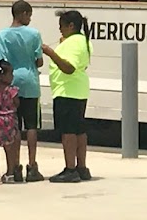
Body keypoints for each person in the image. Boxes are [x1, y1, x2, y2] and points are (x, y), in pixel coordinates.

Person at [0, 0, 44, 182]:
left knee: (14, 127)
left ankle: (15, 166)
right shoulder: (34, 34)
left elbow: (0, 62)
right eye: (29, 15)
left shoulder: (2, 35)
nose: (30, 19)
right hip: (30, 82)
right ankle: (32, 166)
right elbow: (39, 61)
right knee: (31, 126)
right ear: (23, 14)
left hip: (11, 84)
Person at [42, 10, 93, 183]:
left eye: (62, 27)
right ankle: (81, 167)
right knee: (79, 130)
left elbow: (69, 68)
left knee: (68, 132)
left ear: (71, 26)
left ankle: (70, 168)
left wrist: (51, 53)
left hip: (67, 91)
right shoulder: (82, 41)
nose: (60, 31)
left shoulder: (73, 43)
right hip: (78, 90)